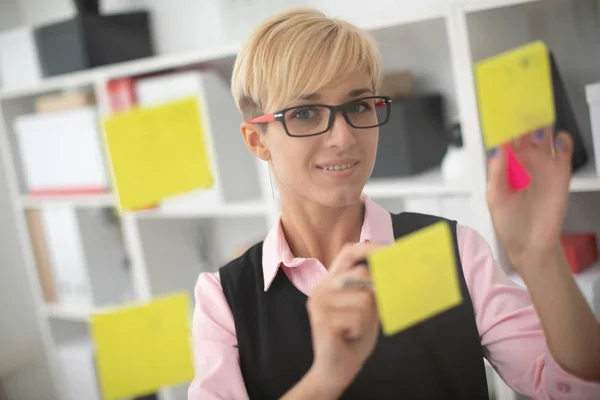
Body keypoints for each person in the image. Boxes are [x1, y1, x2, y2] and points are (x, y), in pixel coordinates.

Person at [188, 8, 600, 399]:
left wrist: (539, 254)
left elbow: (575, 388)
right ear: (257, 140)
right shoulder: (223, 301)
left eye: (358, 105)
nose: (344, 137)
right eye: (306, 112)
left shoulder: (454, 250)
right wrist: (326, 378)